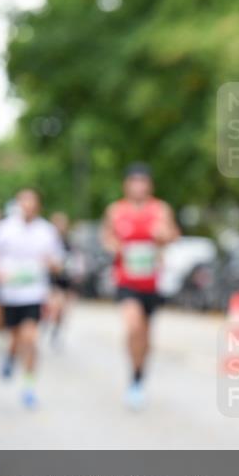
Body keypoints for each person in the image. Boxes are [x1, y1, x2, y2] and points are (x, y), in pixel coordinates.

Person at [101, 163, 180, 410]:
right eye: (134, 182)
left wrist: (164, 235)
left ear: (149, 185)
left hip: (151, 282)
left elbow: (174, 235)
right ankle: (133, 376)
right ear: (126, 185)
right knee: (133, 326)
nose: (138, 186)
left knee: (145, 336)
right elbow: (106, 238)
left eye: (142, 182)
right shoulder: (116, 210)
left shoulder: (160, 209)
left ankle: (138, 376)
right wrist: (116, 247)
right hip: (126, 280)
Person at [0, 189, 63, 408]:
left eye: (32, 203)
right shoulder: (4, 229)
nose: (28, 207)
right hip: (9, 295)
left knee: (31, 338)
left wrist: (52, 265)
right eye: (24, 203)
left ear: (38, 206)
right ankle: (10, 356)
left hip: (35, 294)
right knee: (16, 337)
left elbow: (58, 263)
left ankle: (29, 387)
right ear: (17, 205)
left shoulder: (46, 231)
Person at [46, 211, 73, 347]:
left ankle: (56, 330)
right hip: (51, 279)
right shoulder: (47, 241)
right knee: (55, 306)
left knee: (62, 310)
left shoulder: (68, 242)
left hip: (65, 280)